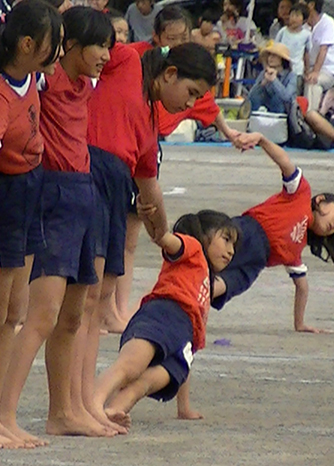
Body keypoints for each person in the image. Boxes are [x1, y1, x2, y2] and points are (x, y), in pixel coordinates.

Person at [79, 42, 218, 433]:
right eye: (190, 93)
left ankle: (84, 400)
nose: (189, 104)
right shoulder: (127, 62)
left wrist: (163, 234)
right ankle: (76, 403)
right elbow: (96, 44)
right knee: (75, 306)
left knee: (93, 302)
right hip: (85, 174)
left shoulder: (150, 126)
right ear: (169, 73)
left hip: (113, 190)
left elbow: (149, 189)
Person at [0, 7, 114, 445]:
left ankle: (64, 411)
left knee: (75, 314)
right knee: (41, 315)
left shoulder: (85, 83)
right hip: (54, 194)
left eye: (108, 46)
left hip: (84, 191)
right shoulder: (48, 80)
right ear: (68, 47)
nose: (105, 54)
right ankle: (3, 413)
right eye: (98, 45)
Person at [0, 0, 62, 448]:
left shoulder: (32, 78)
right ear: (26, 46)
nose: (59, 53)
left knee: (15, 313)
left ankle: (1, 414)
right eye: (53, 45)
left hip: (30, 192)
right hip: (1, 197)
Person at [109, 7, 241, 333]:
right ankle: (105, 310)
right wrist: (164, 235)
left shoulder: (163, 104)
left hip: (139, 157)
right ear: (157, 38)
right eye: (172, 38)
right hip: (107, 165)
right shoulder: (130, 61)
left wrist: (231, 133)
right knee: (113, 242)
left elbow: (210, 108)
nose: (178, 44)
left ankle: (115, 309)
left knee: (125, 241)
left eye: (184, 38)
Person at [89, 210, 238, 428]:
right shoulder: (193, 249)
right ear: (204, 234)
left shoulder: (207, 280)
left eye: (233, 245)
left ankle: (114, 410)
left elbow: (191, 349)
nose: (231, 251)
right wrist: (154, 221)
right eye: (226, 240)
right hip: (163, 316)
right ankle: (93, 405)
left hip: (183, 339)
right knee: (130, 366)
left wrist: (183, 407)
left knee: (145, 383)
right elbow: (166, 240)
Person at [213, 132, 334, 333]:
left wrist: (300, 324)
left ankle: (196, 293)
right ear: (320, 200)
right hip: (246, 230)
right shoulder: (301, 194)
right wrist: (261, 139)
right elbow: (285, 162)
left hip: (256, 261)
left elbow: (302, 287)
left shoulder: (295, 253)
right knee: (207, 250)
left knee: (233, 282)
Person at [304, 0, 334, 112]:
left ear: (311, 4)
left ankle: (311, 117)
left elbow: (323, 49)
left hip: (327, 70)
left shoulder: (328, 22)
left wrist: (315, 72)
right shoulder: (303, 25)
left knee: (312, 83)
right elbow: (305, 52)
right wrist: (306, 71)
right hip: (308, 68)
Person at [248, 42, 296, 114]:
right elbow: (251, 96)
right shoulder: (264, 73)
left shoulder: (291, 76)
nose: (270, 58)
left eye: (274, 56)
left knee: (276, 98)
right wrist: (262, 83)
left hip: (284, 112)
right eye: (269, 55)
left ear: (282, 59)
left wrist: (274, 80)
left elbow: (287, 97)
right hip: (264, 109)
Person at [275, 3, 310, 91]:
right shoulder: (282, 32)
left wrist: (307, 71)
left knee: (295, 93)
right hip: (282, 70)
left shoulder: (306, 35)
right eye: (292, 15)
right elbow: (275, 48)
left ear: (304, 20)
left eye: (297, 16)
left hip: (297, 71)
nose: (294, 18)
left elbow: (307, 54)